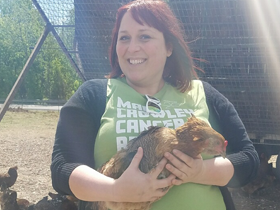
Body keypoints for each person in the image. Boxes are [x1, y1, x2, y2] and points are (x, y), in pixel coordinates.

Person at [51, 1, 259, 210]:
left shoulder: (202, 92)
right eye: (124, 38)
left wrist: (200, 172)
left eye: (144, 36)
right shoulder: (94, 94)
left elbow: (248, 159)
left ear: (169, 46)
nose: (133, 48)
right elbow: (63, 168)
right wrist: (115, 190)